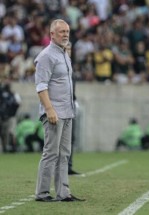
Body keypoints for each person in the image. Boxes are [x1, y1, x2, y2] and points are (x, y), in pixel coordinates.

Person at [34, 19, 85, 202]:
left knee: (64, 154)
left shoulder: (64, 54)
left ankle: (63, 193)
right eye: (61, 31)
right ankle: (42, 193)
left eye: (67, 31)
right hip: (54, 112)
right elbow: (41, 86)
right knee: (51, 153)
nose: (65, 35)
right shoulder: (46, 56)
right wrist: (49, 110)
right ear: (52, 35)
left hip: (67, 111)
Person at [65, 41, 81, 175]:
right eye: (66, 48)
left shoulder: (70, 65)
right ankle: (60, 167)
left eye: (70, 48)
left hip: (71, 104)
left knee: (71, 137)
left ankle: (68, 166)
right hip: (61, 105)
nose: (68, 50)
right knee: (60, 139)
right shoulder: (58, 64)